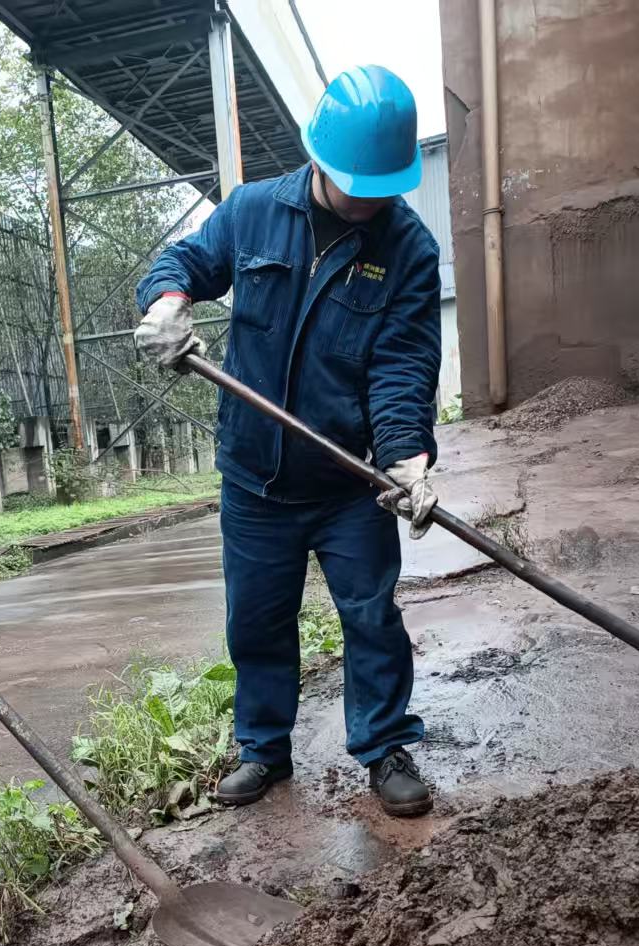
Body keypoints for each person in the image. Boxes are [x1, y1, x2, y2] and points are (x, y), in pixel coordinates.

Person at [134, 65, 443, 817]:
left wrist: (406, 455)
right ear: (323, 161)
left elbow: (402, 366)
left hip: (348, 484)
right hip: (255, 479)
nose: (374, 199)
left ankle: (382, 743)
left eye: (384, 186)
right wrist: (169, 301)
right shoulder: (251, 212)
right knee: (256, 619)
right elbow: (185, 261)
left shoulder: (409, 249)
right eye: (360, 184)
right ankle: (263, 748)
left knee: (371, 611)